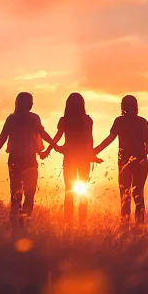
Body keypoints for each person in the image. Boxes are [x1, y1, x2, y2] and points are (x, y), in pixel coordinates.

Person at [0, 92, 57, 227]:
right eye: (30, 101)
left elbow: (3, 137)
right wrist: (54, 146)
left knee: (16, 194)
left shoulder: (11, 119)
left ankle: (15, 223)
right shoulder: (33, 118)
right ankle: (23, 222)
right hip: (28, 159)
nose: (32, 104)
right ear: (25, 103)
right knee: (29, 193)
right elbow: (42, 134)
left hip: (15, 159)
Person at [42, 93, 102, 225]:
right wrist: (92, 156)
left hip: (69, 157)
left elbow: (57, 136)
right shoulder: (87, 120)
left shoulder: (64, 120)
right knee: (83, 190)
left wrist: (50, 149)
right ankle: (82, 223)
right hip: (83, 158)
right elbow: (89, 139)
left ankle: (68, 223)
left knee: (68, 189)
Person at [94, 95, 148, 226]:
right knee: (138, 193)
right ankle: (139, 225)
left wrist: (95, 150)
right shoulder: (142, 122)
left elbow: (110, 139)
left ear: (123, 106)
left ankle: (125, 225)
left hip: (124, 162)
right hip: (141, 162)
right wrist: (142, 155)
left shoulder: (119, 121)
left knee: (125, 194)